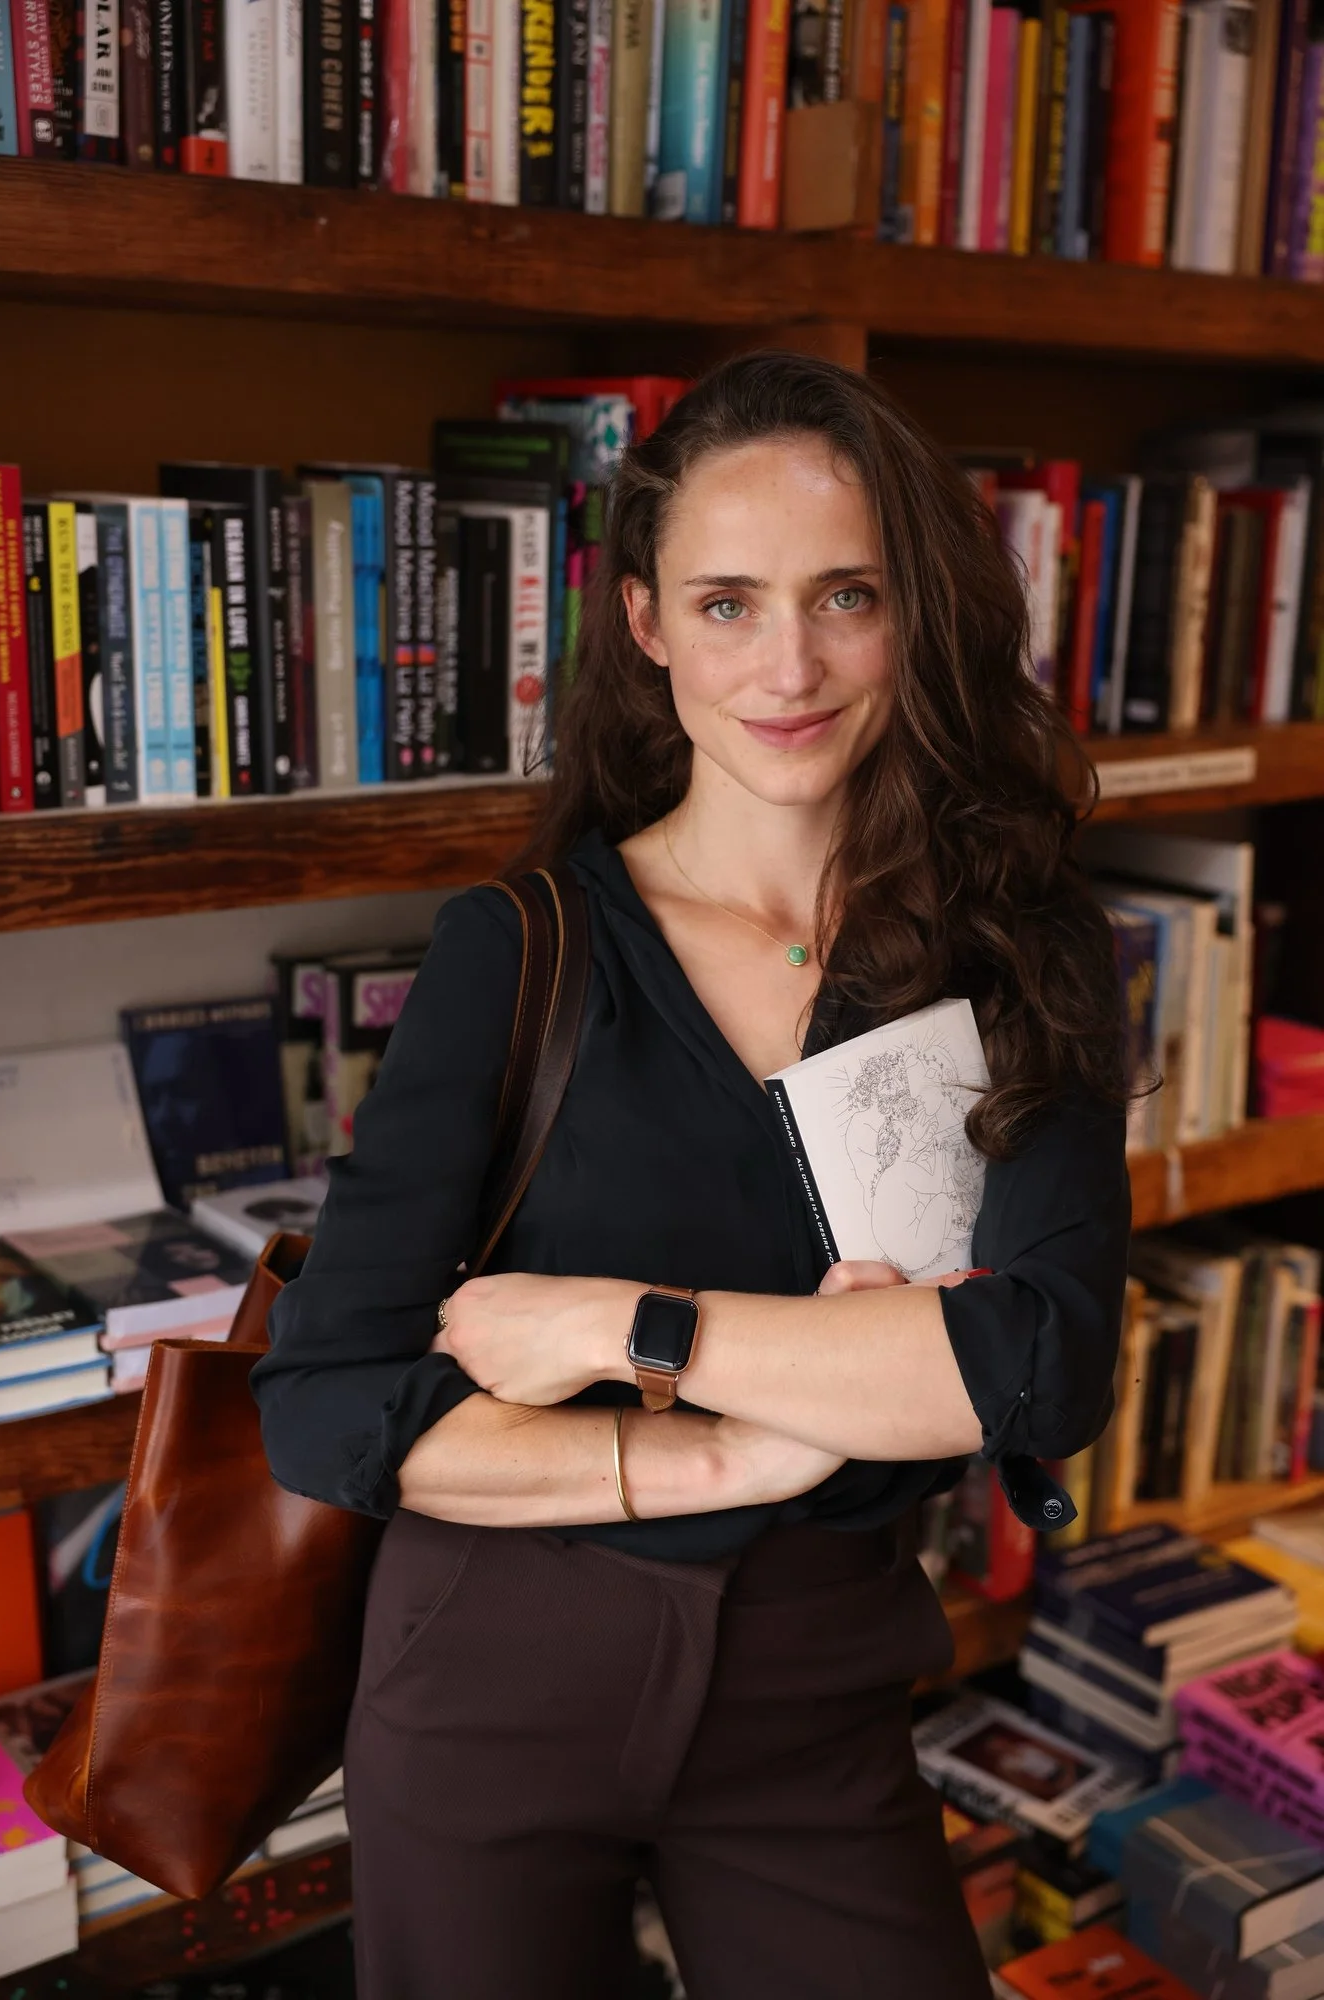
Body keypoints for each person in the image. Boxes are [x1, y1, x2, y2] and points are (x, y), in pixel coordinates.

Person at [251, 350, 1131, 2000]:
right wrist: (749, 1444)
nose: (785, 665)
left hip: (819, 1684)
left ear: (915, 612)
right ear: (647, 625)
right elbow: (336, 1404)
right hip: (492, 1676)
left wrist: (617, 1326)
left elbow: (1036, 1364)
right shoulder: (517, 951)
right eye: (725, 603)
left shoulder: (1018, 944)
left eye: (843, 596)